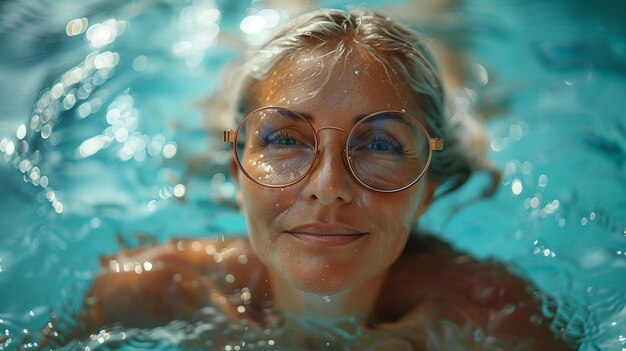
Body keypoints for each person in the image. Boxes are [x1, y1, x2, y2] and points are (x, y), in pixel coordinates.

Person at [61, 8, 575, 350]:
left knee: (448, 64)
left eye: (379, 144)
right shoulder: (149, 289)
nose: (328, 184)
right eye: (284, 140)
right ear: (238, 172)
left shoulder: (494, 319)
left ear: (428, 192)